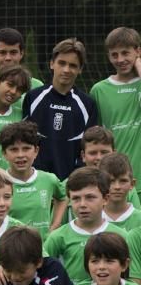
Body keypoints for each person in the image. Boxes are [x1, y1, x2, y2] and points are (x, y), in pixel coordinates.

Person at [22, 38, 98, 180]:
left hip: (73, 183)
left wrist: (76, 178)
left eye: (73, 65)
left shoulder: (87, 104)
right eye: (61, 63)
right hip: (37, 181)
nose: (66, 70)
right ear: (52, 63)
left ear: (80, 69)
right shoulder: (33, 97)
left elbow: (89, 148)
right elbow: (25, 141)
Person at [44, 166, 127, 285]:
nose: (82, 204)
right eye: (76, 198)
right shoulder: (57, 237)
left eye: (90, 197)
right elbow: (42, 272)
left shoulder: (121, 236)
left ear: (105, 199)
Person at [91, 27, 141, 192]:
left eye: (126, 53)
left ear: (137, 52)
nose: (120, 59)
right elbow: (96, 136)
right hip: (115, 181)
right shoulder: (99, 90)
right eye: (114, 55)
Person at [0, 121, 66, 238]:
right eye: (14, 149)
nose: (20, 154)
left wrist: (55, 225)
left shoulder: (49, 179)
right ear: (4, 153)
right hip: (11, 251)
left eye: (26, 148)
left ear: (36, 151)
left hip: (42, 251)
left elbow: (63, 198)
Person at [98, 153, 141, 231]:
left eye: (123, 181)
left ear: (132, 184)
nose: (117, 187)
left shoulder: (139, 219)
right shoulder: (92, 220)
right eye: (111, 181)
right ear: (100, 183)